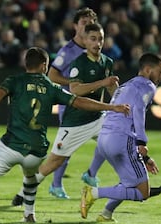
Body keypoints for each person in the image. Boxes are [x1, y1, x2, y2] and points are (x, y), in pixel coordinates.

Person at [0, 47, 130, 222]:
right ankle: (29, 214)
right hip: (37, 152)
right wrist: (111, 107)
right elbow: (80, 101)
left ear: (26, 64)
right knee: (30, 178)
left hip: (11, 146)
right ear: (44, 65)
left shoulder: (15, 80)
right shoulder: (52, 88)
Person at [12, 7, 98, 203]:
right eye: (84, 22)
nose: (87, 25)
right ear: (75, 26)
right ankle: (52, 185)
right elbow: (52, 75)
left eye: (91, 22)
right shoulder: (69, 51)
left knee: (111, 141)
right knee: (63, 152)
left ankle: (91, 174)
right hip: (71, 106)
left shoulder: (95, 50)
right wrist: (73, 84)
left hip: (91, 109)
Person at [80, 52, 161, 222]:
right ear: (148, 70)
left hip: (105, 138)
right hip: (121, 139)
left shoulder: (127, 86)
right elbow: (138, 111)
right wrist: (142, 142)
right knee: (142, 192)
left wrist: (145, 157)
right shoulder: (148, 86)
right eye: (160, 70)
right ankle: (93, 193)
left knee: (127, 181)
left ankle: (106, 214)